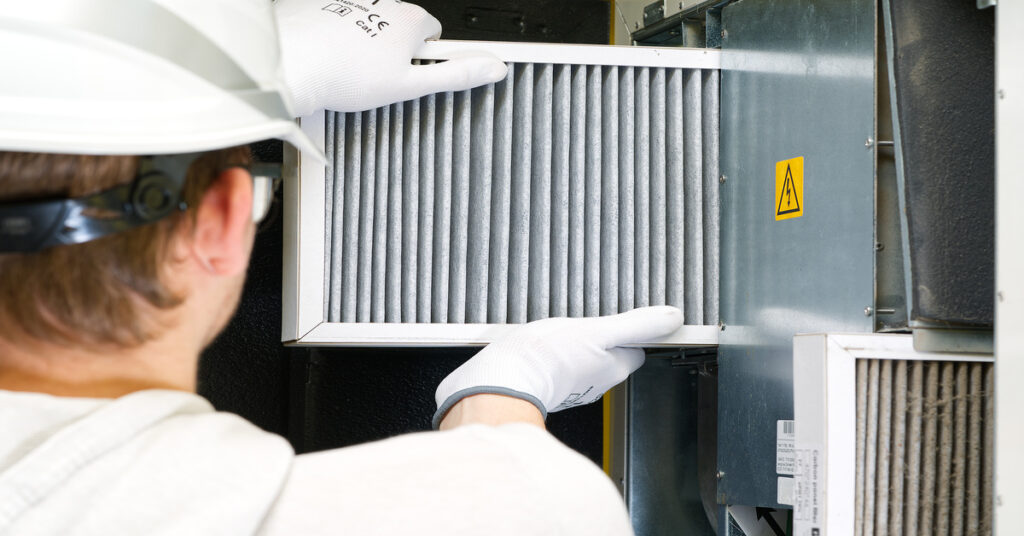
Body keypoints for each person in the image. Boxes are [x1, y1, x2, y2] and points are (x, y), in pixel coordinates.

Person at [0, 1, 685, 534]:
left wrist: (500, 402)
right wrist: (505, 393)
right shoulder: (526, 507)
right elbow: (521, 506)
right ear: (221, 221)